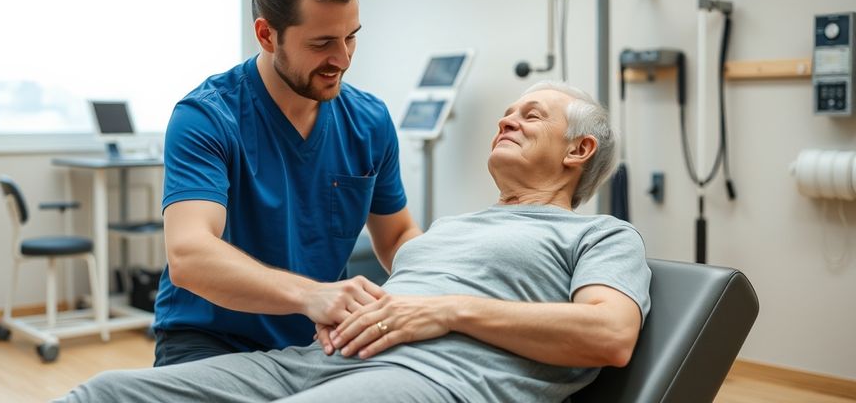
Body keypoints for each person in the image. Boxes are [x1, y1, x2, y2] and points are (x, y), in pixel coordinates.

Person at [56, 81, 652, 403]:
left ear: (579, 151)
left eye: (531, 115)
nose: (506, 120)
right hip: (317, 359)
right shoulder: (451, 228)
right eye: (505, 112)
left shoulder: (601, 234)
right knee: (105, 393)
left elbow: (611, 335)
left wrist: (446, 310)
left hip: (438, 378)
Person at [151, 0, 422, 367]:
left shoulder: (369, 121)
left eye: (351, 37)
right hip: (212, 340)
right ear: (266, 35)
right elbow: (189, 254)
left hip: (321, 341)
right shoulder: (207, 117)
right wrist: (311, 295)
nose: (343, 59)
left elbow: (396, 235)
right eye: (322, 43)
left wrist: (439, 284)